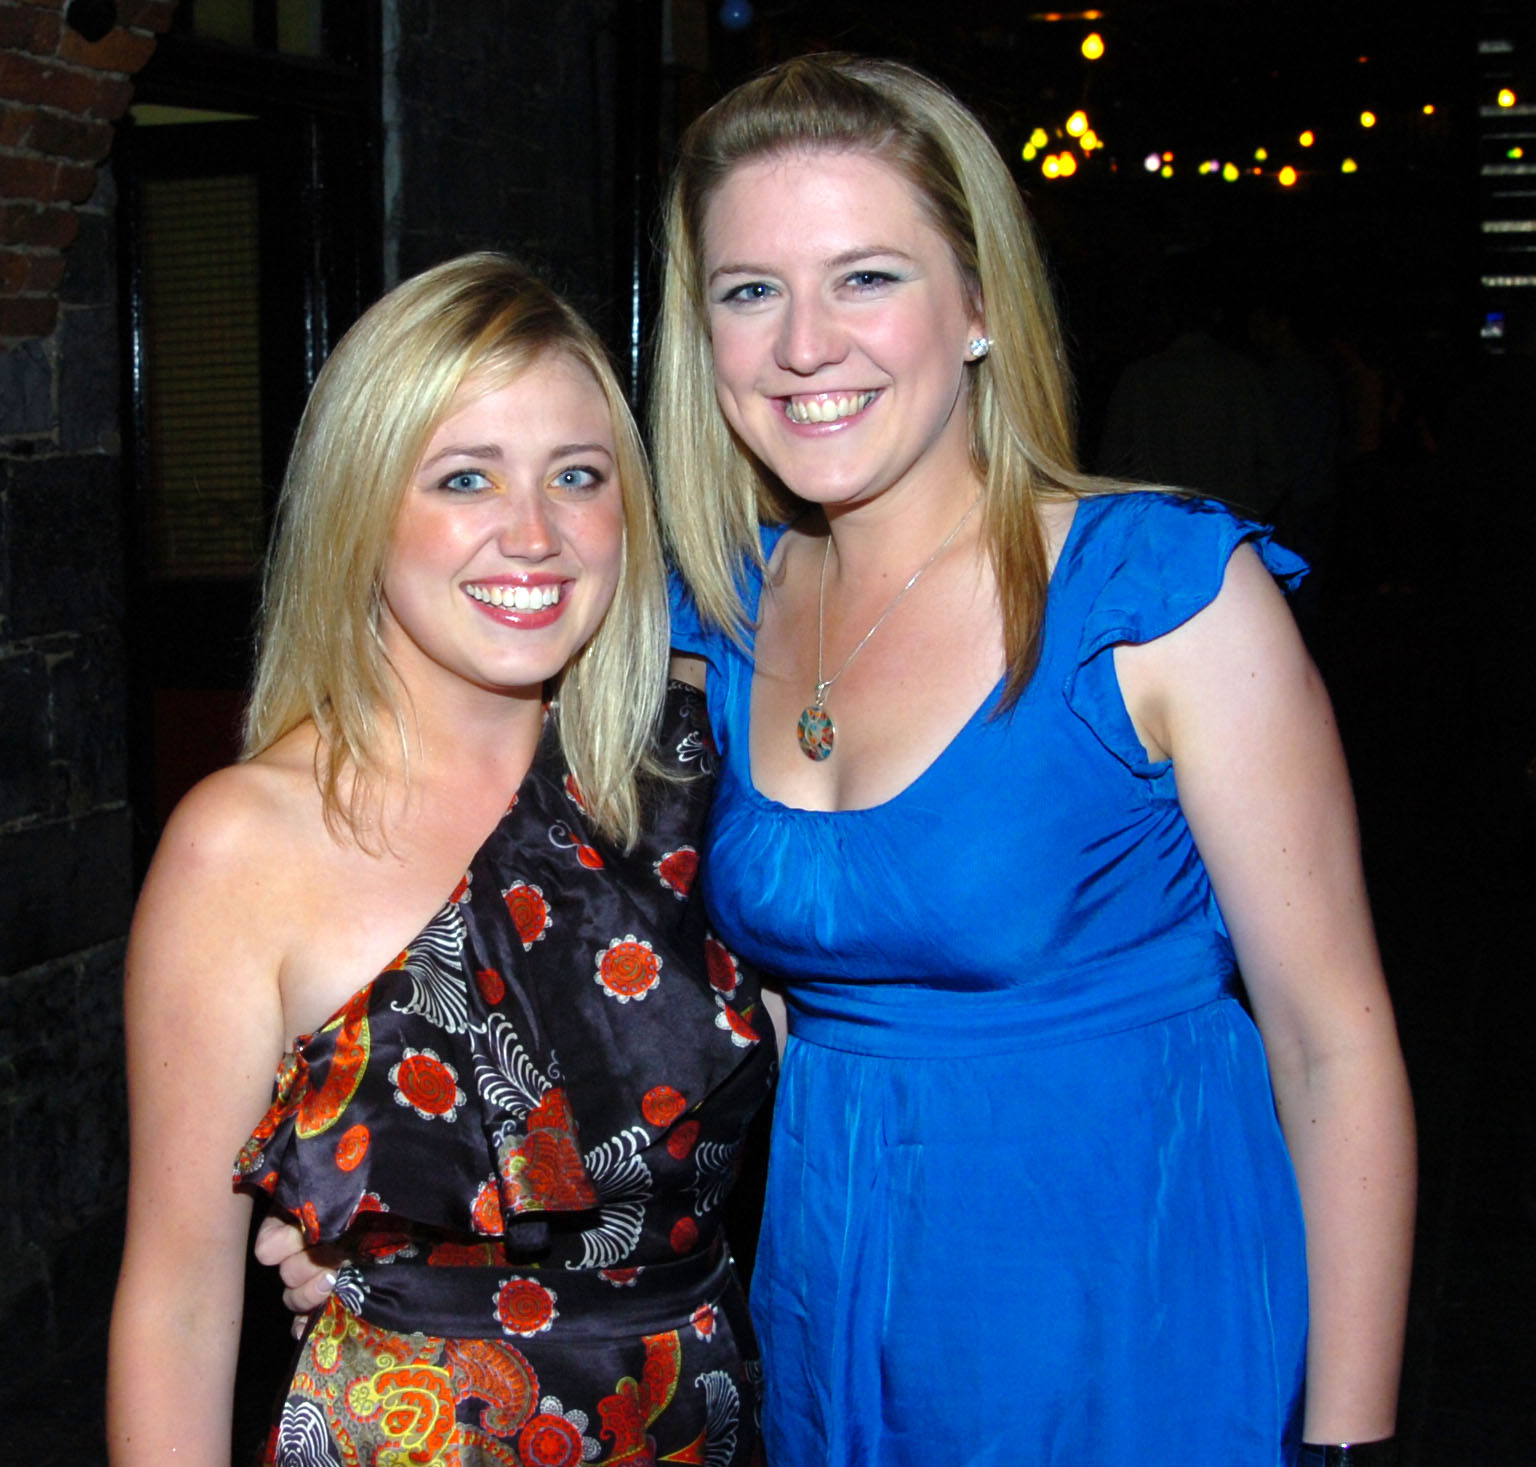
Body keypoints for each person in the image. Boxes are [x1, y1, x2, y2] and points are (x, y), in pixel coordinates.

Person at [648, 53, 1415, 1467]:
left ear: (981, 305)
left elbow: (1334, 1041)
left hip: (1131, 1315)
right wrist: (379, 1187)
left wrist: (1349, 1440)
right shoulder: (716, 617)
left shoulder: (1156, 593)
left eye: (866, 277)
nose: (805, 344)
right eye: (750, 290)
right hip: (838, 1312)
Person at [106, 255, 774, 1466]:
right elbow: (179, 1304)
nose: (535, 534)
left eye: (577, 475)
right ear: (361, 509)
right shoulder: (241, 845)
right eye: (466, 477)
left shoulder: (691, 787)